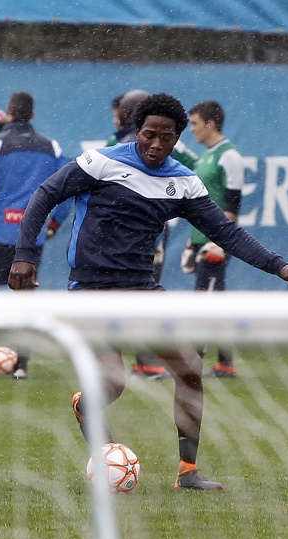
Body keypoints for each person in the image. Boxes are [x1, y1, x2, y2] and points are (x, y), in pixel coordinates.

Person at [8, 93, 288, 490]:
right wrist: (25, 254)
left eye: (166, 138)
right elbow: (46, 195)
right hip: (91, 289)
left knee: (189, 369)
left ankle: (188, 472)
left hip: (143, 290)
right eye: (149, 134)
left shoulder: (183, 182)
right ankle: (88, 408)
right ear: (136, 130)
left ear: (176, 139)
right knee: (113, 382)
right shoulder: (101, 162)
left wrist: (279, 265)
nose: (156, 144)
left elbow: (227, 233)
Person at [0, 91, 69, 380]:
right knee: (25, 299)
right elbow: (70, 186)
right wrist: (54, 224)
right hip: (31, 237)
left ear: (8, 113)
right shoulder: (52, 147)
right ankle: (21, 365)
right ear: (32, 115)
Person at [175, 100, 245, 378]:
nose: (192, 129)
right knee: (215, 303)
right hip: (203, 241)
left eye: (194, 124)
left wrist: (220, 242)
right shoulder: (205, 157)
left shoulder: (229, 156)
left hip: (216, 242)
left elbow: (232, 205)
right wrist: (192, 243)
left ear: (210, 124)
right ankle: (225, 363)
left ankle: (192, 364)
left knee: (204, 303)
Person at [107, 89, 168, 379]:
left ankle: (147, 362)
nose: (114, 118)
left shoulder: (141, 150)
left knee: (137, 297)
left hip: (140, 240)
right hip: (133, 239)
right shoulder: (115, 149)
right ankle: (144, 361)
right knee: (136, 297)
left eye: (118, 113)